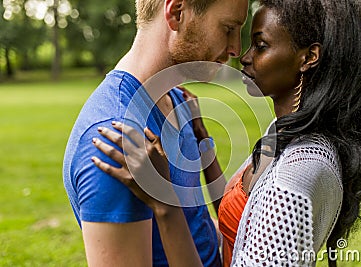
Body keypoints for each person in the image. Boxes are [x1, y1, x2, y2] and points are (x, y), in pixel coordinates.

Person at [92, 0, 361, 266]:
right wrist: (202, 141)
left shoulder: (296, 178)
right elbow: (242, 219)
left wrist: (164, 202)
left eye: (260, 45)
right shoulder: (285, 132)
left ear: (308, 57)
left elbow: (271, 209)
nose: (242, 56)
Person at [63, 0, 248, 266]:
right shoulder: (116, 141)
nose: (236, 49)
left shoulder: (178, 101)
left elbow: (197, 223)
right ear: (177, 13)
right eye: (228, 28)